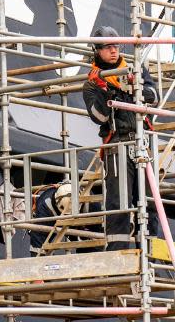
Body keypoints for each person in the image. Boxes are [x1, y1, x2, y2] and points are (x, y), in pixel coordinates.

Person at [81, 25, 160, 250]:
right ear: (97, 51)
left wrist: (135, 85)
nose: (114, 51)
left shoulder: (135, 68)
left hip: (142, 141)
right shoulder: (91, 84)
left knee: (149, 200)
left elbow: (153, 97)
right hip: (117, 145)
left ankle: (149, 252)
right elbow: (100, 117)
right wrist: (104, 88)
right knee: (119, 201)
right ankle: (120, 251)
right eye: (108, 47)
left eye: (116, 46)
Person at [27, 182, 73, 256]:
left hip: (73, 215)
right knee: (39, 245)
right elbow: (38, 241)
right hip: (48, 214)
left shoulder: (84, 200)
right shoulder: (44, 207)